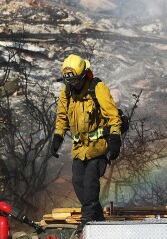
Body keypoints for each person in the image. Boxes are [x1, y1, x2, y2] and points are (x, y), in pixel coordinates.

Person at [50, 54, 122, 228]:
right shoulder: (66, 91)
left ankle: (88, 221)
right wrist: (58, 136)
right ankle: (98, 219)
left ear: (84, 76)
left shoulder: (98, 89)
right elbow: (62, 117)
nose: (74, 85)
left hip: (98, 148)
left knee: (90, 181)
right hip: (80, 149)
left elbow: (113, 116)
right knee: (78, 181)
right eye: (70, 82)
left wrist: (115, 140)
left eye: (76, 81)